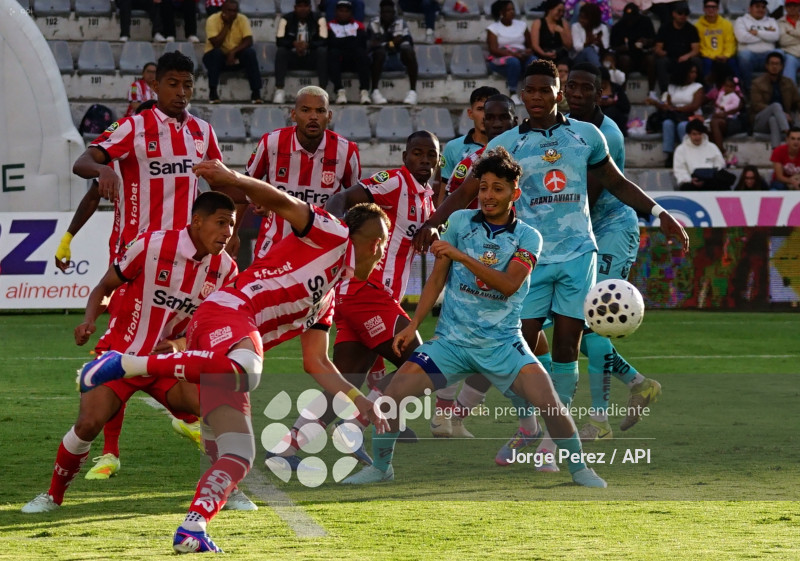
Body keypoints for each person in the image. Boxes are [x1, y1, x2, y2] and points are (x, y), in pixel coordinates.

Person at [76, 161, 391, 553]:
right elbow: (282, 201)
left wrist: (359, 401)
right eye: (378, 242)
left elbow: (317, 363)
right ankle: (126, 364)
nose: (380, 252)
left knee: (239, 453)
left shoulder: (326, 299)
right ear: (363, 238)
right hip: (229, 311)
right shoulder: (332, 232)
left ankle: (192, 529)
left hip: (227, 343)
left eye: (383, 245)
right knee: (248, 371)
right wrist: (232, 179)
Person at [413, 61, 688, 462]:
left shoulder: (587, 135)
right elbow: (467, 190)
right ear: (522, 95)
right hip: (530, 257)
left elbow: (615, 182)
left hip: (579, 254)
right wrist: (434, 222)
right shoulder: (505, 144)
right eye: (531, 91)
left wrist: (659, 212)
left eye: (546, 90)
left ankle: (552, 441)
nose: (537, 97)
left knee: (566, 347)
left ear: (558, 94)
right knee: (516, 346)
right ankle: (530, 424)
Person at [341, 147, 607, 488]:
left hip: (502, 344)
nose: (488, 195)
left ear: (514, 193)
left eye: (497, 188)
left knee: (550, 403)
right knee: (393, 396)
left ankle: (580, 470)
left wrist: (461, 257)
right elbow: (437, 278)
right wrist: (413, 324)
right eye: (483, 188)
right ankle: (381, 468)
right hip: (451, 343)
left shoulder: (528, 236)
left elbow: (509, 285)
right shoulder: (460, 223)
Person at [22, 192, 240, 514]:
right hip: (121, 357)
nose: (227, 233)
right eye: (221, 223)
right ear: (197, 221)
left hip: (167, 364)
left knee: (218, 409)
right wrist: (89, 320)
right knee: (87, 424)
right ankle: (52, 496)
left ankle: (228, 490)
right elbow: (104, 287)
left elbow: (211, 325)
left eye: (231, 225)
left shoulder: (226, 270)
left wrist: (180, 344)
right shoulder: (151, 245)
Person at [267, 131, 439, 466]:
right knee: (427, 366)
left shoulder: (426, 198)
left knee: (345, 382)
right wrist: (328, 232)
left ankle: (286, 448)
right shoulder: (395, 182)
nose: (424, 160)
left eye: (431, 155)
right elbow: (343, 196)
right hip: (366, 292)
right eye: (417, 153)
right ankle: (356, 423)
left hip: (357, 296)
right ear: (404, 157)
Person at [429, 94, 519, 437]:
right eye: (487, 116)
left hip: (511, 257)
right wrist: (441, 234)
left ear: (513, 120)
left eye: (501, 118)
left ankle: (456, 415)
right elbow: (451, 197)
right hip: (471, 257)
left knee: (501, 344)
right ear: (476, 117)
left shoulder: (527, 155)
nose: (494, 123)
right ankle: (445, 415)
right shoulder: (466, 160)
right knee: (464, 338)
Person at [246, 86, 361, 260]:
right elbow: (245, 184)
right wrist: (235, 231)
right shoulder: (271, 142)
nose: (313, 116)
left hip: (322, 250)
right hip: (274, 245)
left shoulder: (346, 150)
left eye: (320, 111)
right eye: (306, 110)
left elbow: (355, 203)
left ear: (329, 116)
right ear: (293, 114)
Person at [439, 86, 500, 199]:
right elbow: (444, 193)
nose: (485, 116)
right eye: (480, 109)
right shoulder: (453, 147)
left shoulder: (509, 145)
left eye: (490, 109)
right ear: (470, 113)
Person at [202, 0, 263, 104]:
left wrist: (233, 52)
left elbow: (249, 40)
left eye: (235, 11)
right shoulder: (212, 19)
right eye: (229, 10)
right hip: (215, 57)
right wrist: (227, 25)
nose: (232, 13)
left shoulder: (242, 19)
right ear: (222, 10)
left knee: (250, 53)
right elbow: (216, 44)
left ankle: (256, 93)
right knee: (216, 53)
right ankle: (213, 93)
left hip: (235, 56)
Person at [645, 61, 704, 167]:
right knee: (667, 123)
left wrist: (677, 109)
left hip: (690, 116)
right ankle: (670, 154)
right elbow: (667, 105)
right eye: (691, 72)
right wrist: (656, 103)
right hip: (674, 116)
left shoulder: (697, 87)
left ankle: (687, 153)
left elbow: (695, 106)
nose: (694, 75)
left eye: (695, 72)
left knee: (682, 126)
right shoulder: (672, 87)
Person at [273, 0, 329, 105]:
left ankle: (322, 91)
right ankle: (279, 89)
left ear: (310, 7)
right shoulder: (285, 19)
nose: (303, 9)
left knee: (322, 51)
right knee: (281, 52)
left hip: (311, 57)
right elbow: (279, 40)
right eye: (300, 6)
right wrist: (294, 44)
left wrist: (308, 45)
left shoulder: (320, 19)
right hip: (293, 57)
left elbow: (324, 40)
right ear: (295, 8)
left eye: (305, 6)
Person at [367, 0, 419, 105]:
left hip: (398, 57)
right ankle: (374, 91)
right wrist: (391, 43)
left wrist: (386, 42)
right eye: (384, 12)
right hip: (379, 59)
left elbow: (403, 41)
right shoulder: (373, 23)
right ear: (380, 12)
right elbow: (373, 43)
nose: (387, 15)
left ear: (394, 13)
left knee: (408, 51)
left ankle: (413, 92)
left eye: (389, 12)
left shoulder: (400, 23)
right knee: (379, 52)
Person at [486, 0, 535, 105]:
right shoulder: (493, 28)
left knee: (534, 61)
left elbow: (530, 46)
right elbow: (493, 49)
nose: (512, 12)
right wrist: (513, 55)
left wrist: (525, 53)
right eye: (508, 10)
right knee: (514, 62)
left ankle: (531, 91)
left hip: (521, 56)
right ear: (501, 12)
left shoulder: (522, 25)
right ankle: (512, 92)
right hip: (502, 59)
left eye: (513, 9)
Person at [750, 51, 800, 149]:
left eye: (777, 64)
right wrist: (781, 113)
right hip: (761, 121)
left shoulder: (788, 82)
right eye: (772, 64)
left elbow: (797, 101)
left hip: (779, 120)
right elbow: (756, 105)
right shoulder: (757, 83)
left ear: (782, 66)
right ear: (766, 66)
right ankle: (788, 132)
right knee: (776, 106)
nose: (774, 67)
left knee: (773, 120)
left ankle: (776, 152)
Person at [328, 0, 372, 105]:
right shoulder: (329, 26)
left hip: (354, 61)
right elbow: (331, 42)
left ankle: (364, 91)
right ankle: (339, 91)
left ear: (351, 13)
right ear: (336, 12)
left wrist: (341, 41)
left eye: (346, 11)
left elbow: (361, 43)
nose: (343, 14)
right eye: (341, 11)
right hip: (339, 61)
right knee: (333, 53)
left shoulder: (358, 26)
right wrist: (350, 40)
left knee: (361, 53)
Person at [653, 1, 701, 94]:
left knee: (697, 61)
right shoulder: (665, 28)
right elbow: (658, 47)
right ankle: (665, 92)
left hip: (685, 57)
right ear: (673, 14)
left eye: (685, 13)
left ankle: (697, 90)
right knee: (661, 62)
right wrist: (661, 52)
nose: (683, 16)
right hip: (669, 57)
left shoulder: (691, 29)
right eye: (680, 13)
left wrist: (686, 56)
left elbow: (695, 50)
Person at [610, 3, 655, 95]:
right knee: (625, 60)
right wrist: (621, 48)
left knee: (651, 59)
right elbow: (612, 47)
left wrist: (646, 42)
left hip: (642, 56)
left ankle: (651, 92)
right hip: (627, 59)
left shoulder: (646, 22)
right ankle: (623, 91)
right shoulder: (618, 26)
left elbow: (654, 40)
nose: (630, 20)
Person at [734, 0, 780, 92]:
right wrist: (766, 36)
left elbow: (776, 36)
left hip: (767, 56)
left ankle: (775, 88)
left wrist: (757, 33)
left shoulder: (771, 21)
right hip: (750, 57)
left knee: (780, 53)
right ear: (750, 8)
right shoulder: (741, 20)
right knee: (744, 55)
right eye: (757, 6)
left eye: (763, 7)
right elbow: (742, 38)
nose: (760, 9)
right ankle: (748, 89)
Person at [673, 119, 727, 190]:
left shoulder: (712, 147)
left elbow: (720, 165)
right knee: (686, 187)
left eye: (699, 134)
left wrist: (710, 176)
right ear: (689, 135)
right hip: (690, 182)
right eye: (694, 134)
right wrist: (690, 180)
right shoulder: (681, 149)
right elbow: (679, 170)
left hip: (711, 181)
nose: (697, 137)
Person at [695, 0, 739, 86]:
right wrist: (714, 56)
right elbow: (701, 46)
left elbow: (730, 43)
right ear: (703, 9)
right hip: (708, 57)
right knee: (707, 63)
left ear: (718, 9)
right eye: (708, 7)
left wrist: (726, 55)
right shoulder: (698, 26)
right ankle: (708, 90)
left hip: (724, 56)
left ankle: (738, 88)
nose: (711, 9)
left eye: (713, 7)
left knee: (733, 62)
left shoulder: (726, 24)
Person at [709, 74, 745, 159]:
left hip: (731, 119)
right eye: (726, 86)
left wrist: (724, 108)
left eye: (730, 87)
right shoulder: (721, 94)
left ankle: (721, 150)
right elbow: (718, 102)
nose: (727, 88)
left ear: (734, 88)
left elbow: (734, 106)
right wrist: (717, 105)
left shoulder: (735, 96)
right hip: (719, 114)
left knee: (714, 123)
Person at [530, 0, 573, 64]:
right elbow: (535, 45)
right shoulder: (538, 23)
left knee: (565, 63)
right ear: (550, 9)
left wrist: (562, 33)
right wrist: (544, 54)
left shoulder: (564, 24)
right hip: (542, 54)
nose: (561, 14)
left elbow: (569, 46)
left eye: (563, 11)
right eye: (559, 11)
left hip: (559, 55)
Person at [570, 2, 609, 67]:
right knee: (588, 50)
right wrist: (588, 43)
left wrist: (599, 43)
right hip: (579, 58)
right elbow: (577, 47)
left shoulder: (603, 28)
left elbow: (606, 47)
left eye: (584, 18)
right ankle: (599, 70)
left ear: (592, 19)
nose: (581, 20)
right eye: (580, 17)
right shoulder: (576, 26)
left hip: (598, 56)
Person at [597, 66, 629, 135]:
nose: (602, 85)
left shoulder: (616, 88)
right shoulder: (594, 89)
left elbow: (626, 107)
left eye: (604, 83)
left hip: (615, 116)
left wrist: (613, 102)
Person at [778, 0, 800, 82]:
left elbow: (787, 40)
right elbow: (783, 41)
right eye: (789, 6)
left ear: (799, 7)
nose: (792, 8)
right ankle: (789, 89)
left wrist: (791, 32)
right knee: (789, 60)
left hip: (791, 50)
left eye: (795, 6)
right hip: (791, 54)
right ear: (785, 8)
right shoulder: (779, 22)